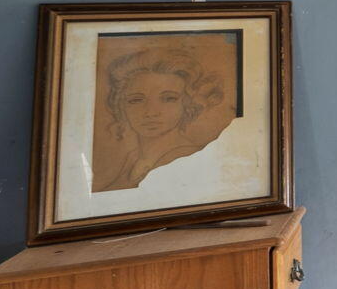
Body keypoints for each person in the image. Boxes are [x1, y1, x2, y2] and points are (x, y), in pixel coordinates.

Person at [93, 45, 233, 192]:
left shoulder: (187, 158)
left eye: (168, 99)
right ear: (121, 106)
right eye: (136, 100)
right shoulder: (135, 157)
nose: (151, 112)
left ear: (187, 103)